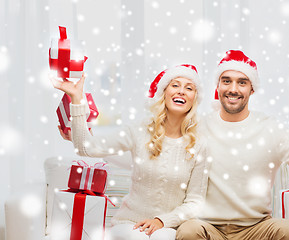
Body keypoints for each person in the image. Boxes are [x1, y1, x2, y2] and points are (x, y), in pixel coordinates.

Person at [176, 50, 289, 240]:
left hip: (257, 228)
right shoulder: (198, 128)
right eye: (227, 81)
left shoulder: (271, 129)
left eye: (242, 82)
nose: (233, 89)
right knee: (188, 231)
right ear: (218, 86)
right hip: (208, 227)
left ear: (252, 89)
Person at [52, 64, 209, 240]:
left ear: (194, 98)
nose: (181, 91)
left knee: (162, 238)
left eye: (189, 88)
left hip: (168, 227)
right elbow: (87, 147)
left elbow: (195, 202)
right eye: (175, 85)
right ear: (164, 92)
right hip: (129, 223)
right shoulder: (138, 132)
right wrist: (76, 97)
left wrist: (161, 221)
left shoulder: (199, 145)